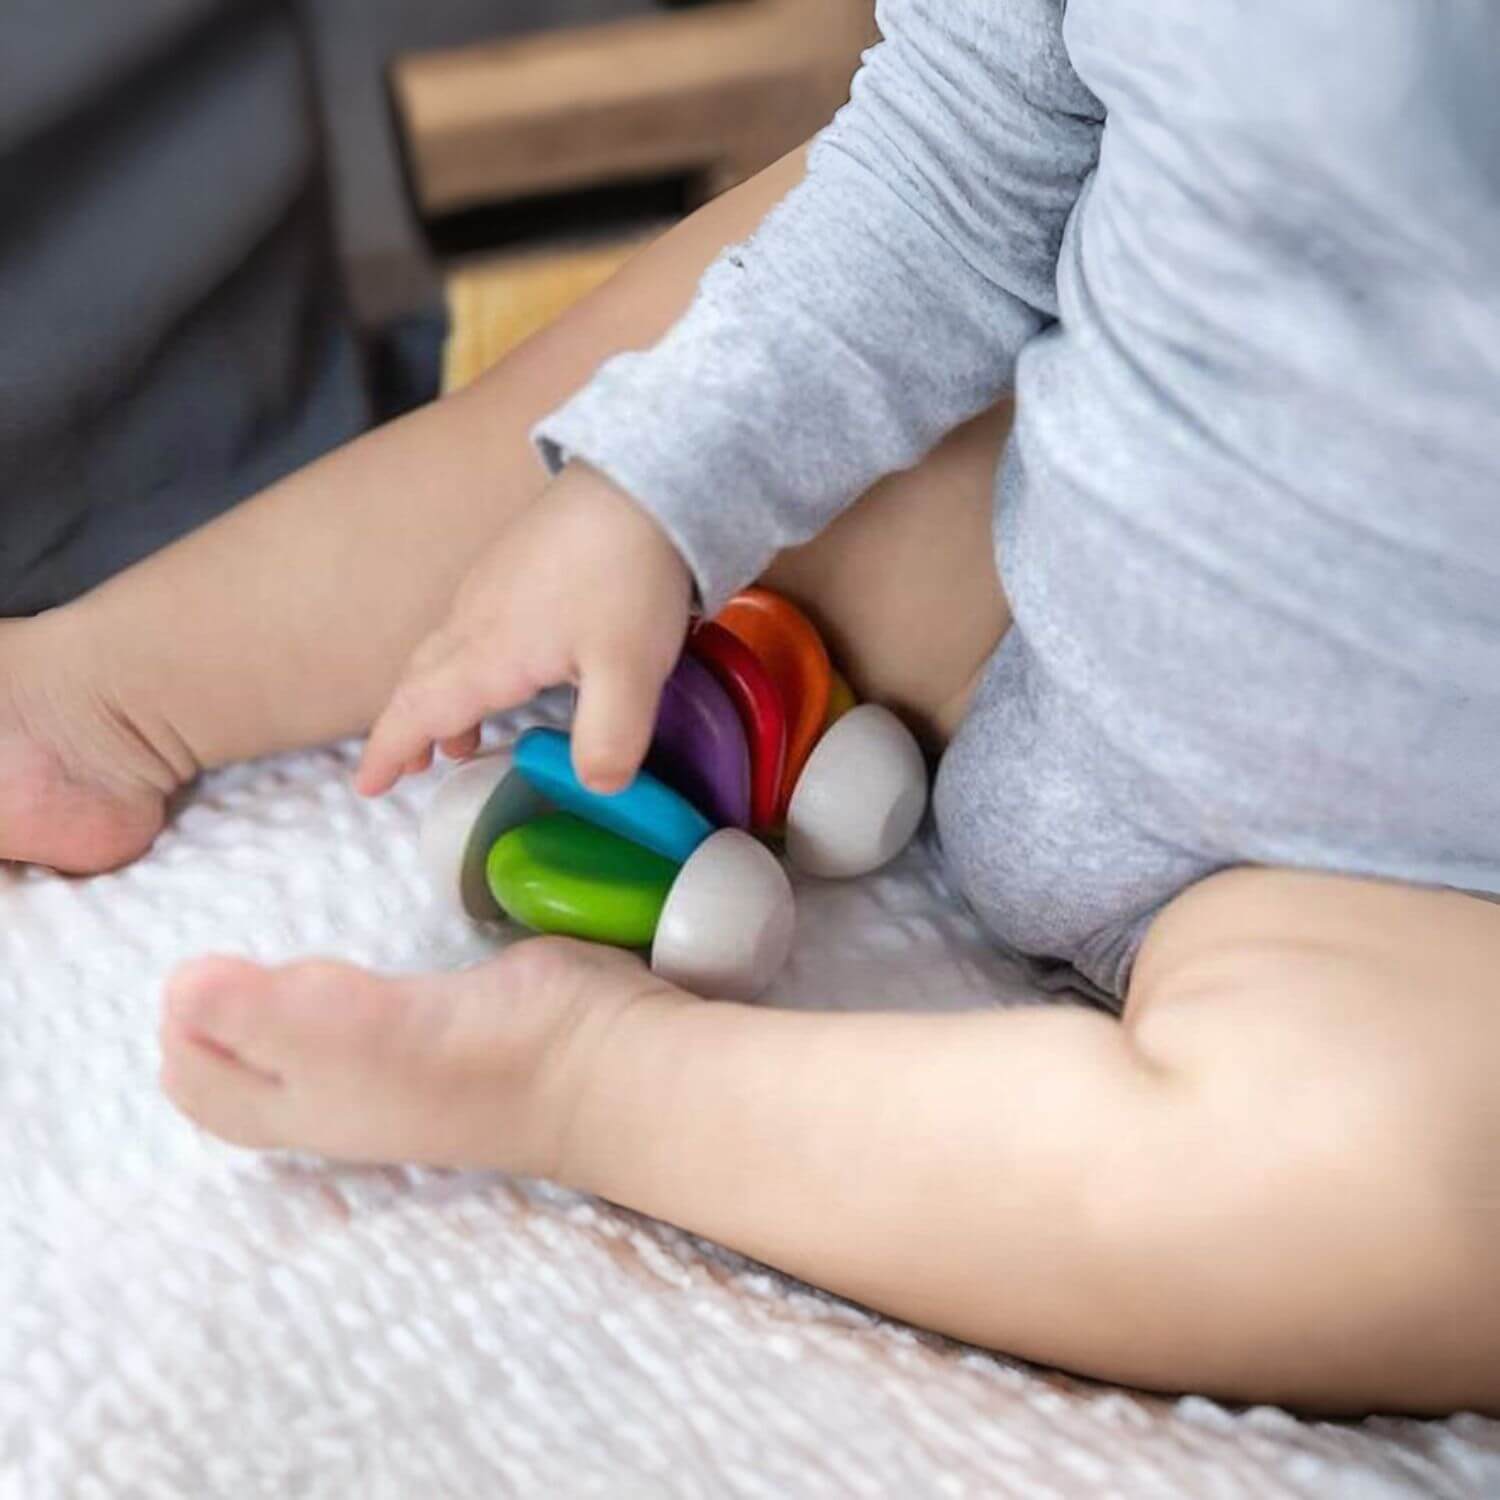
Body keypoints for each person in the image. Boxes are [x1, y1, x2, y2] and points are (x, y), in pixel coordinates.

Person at [4, 0, 1496, 1414]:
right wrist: (651, 497)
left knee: (1410, 1197)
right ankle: (104, 692)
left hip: (1384, 903)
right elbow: (960, 156)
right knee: (729, 332)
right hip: (1053, 514)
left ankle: (598, 1085)